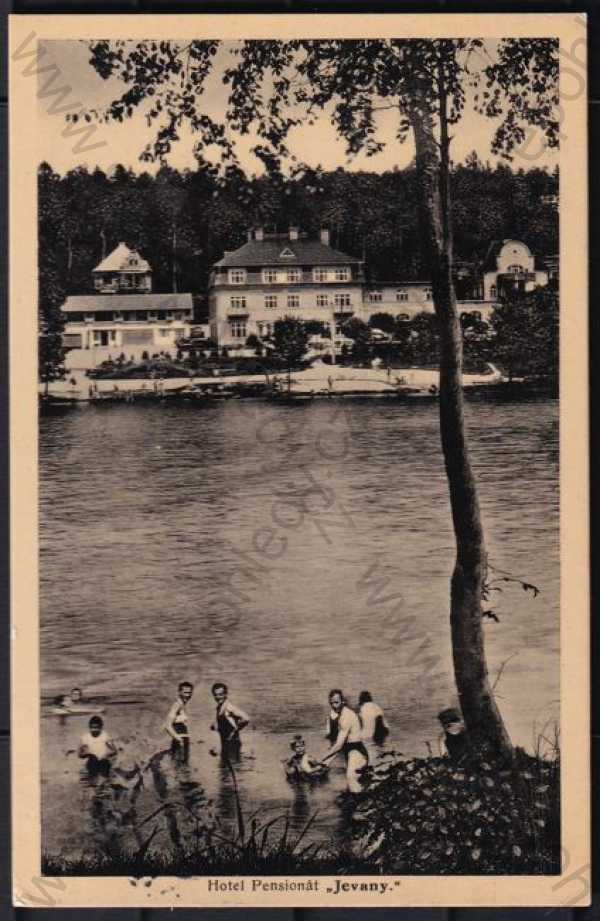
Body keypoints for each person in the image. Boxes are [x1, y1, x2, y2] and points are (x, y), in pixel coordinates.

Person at [320, 689, 369, 794]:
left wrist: (322, 758)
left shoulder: (346, 716)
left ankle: (362, 806)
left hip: (357, 752)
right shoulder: (340, 714)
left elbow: (338, 745)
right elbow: (340, 745)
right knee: (353, 785)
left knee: (351, 779)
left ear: (343, 702)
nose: (333, 706)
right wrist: (327, 761)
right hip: (350, 751)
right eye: (331, 703)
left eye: (336, 702)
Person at [210, 682, 250, 754]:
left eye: (220, 694)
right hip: (226, 743)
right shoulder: (220, 707)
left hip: (233, 743)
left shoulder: (229, 707)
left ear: (225, 694)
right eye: (215, 695)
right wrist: (214, 725)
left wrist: (235, 730)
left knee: (232, 763)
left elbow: (246, 718)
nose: (218, 697)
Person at [163, 681, 194, 764]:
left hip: (182, 740)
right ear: (179, 692)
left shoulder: (181, 705)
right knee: (181, 767)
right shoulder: (177, 705)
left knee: (181, 768)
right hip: (180, 741)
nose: (188, 695)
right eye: (185, 692)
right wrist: (179, 739)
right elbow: (167, 725)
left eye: (190, 693)